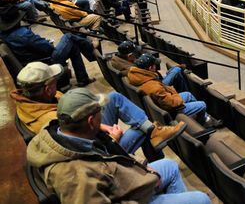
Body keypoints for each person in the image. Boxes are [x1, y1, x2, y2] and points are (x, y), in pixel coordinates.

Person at [26, 86, 210, 204]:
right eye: (100, 111)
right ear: (91, 120)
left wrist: (143, 169)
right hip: (130, 194)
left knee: (169, 165)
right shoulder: (74, 177)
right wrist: (144, 186)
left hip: (124, 180)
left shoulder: (70, 134)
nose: (102, 115)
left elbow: (112, 158)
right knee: (201, 199)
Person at [13, 63, 187, 153]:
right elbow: (84, 148)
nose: (56, 83)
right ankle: (148, 166)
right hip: (102, 149)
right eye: (53, 81)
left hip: (88, 130)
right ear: (47, 88)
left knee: (114, 98)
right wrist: (113, 138)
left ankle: (154, 133)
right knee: (142, 131)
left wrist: (101, 125)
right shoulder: (48, 121)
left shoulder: (33, 100)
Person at [0, 9, 96, 86]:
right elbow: (48, 48)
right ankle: (92, 48)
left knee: (73, 46)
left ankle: (83, 79)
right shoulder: (23, 33)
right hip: (45, 60)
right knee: (69, 37)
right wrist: (46, 42)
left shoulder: (4, 34)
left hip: (31, 60)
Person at [128, 54, 222, 127]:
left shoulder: (138, 77)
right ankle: (203, 122)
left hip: (164, 102)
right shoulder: (154, 87)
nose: (156, 66)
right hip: (173, 110)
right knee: (202, 105)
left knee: (188, 95)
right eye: (154, 65)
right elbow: (172, 103)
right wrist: (174, 93)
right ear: (150, 68)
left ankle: (204, 116)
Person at [111, 41, 189, 92]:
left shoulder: (116, 60)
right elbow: (150, 77)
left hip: (152, 82)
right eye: (136, 53)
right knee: (176, 70)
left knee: (175, 73)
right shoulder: (133, 70)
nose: (138, 54)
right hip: (156, 85)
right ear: (130, 56)